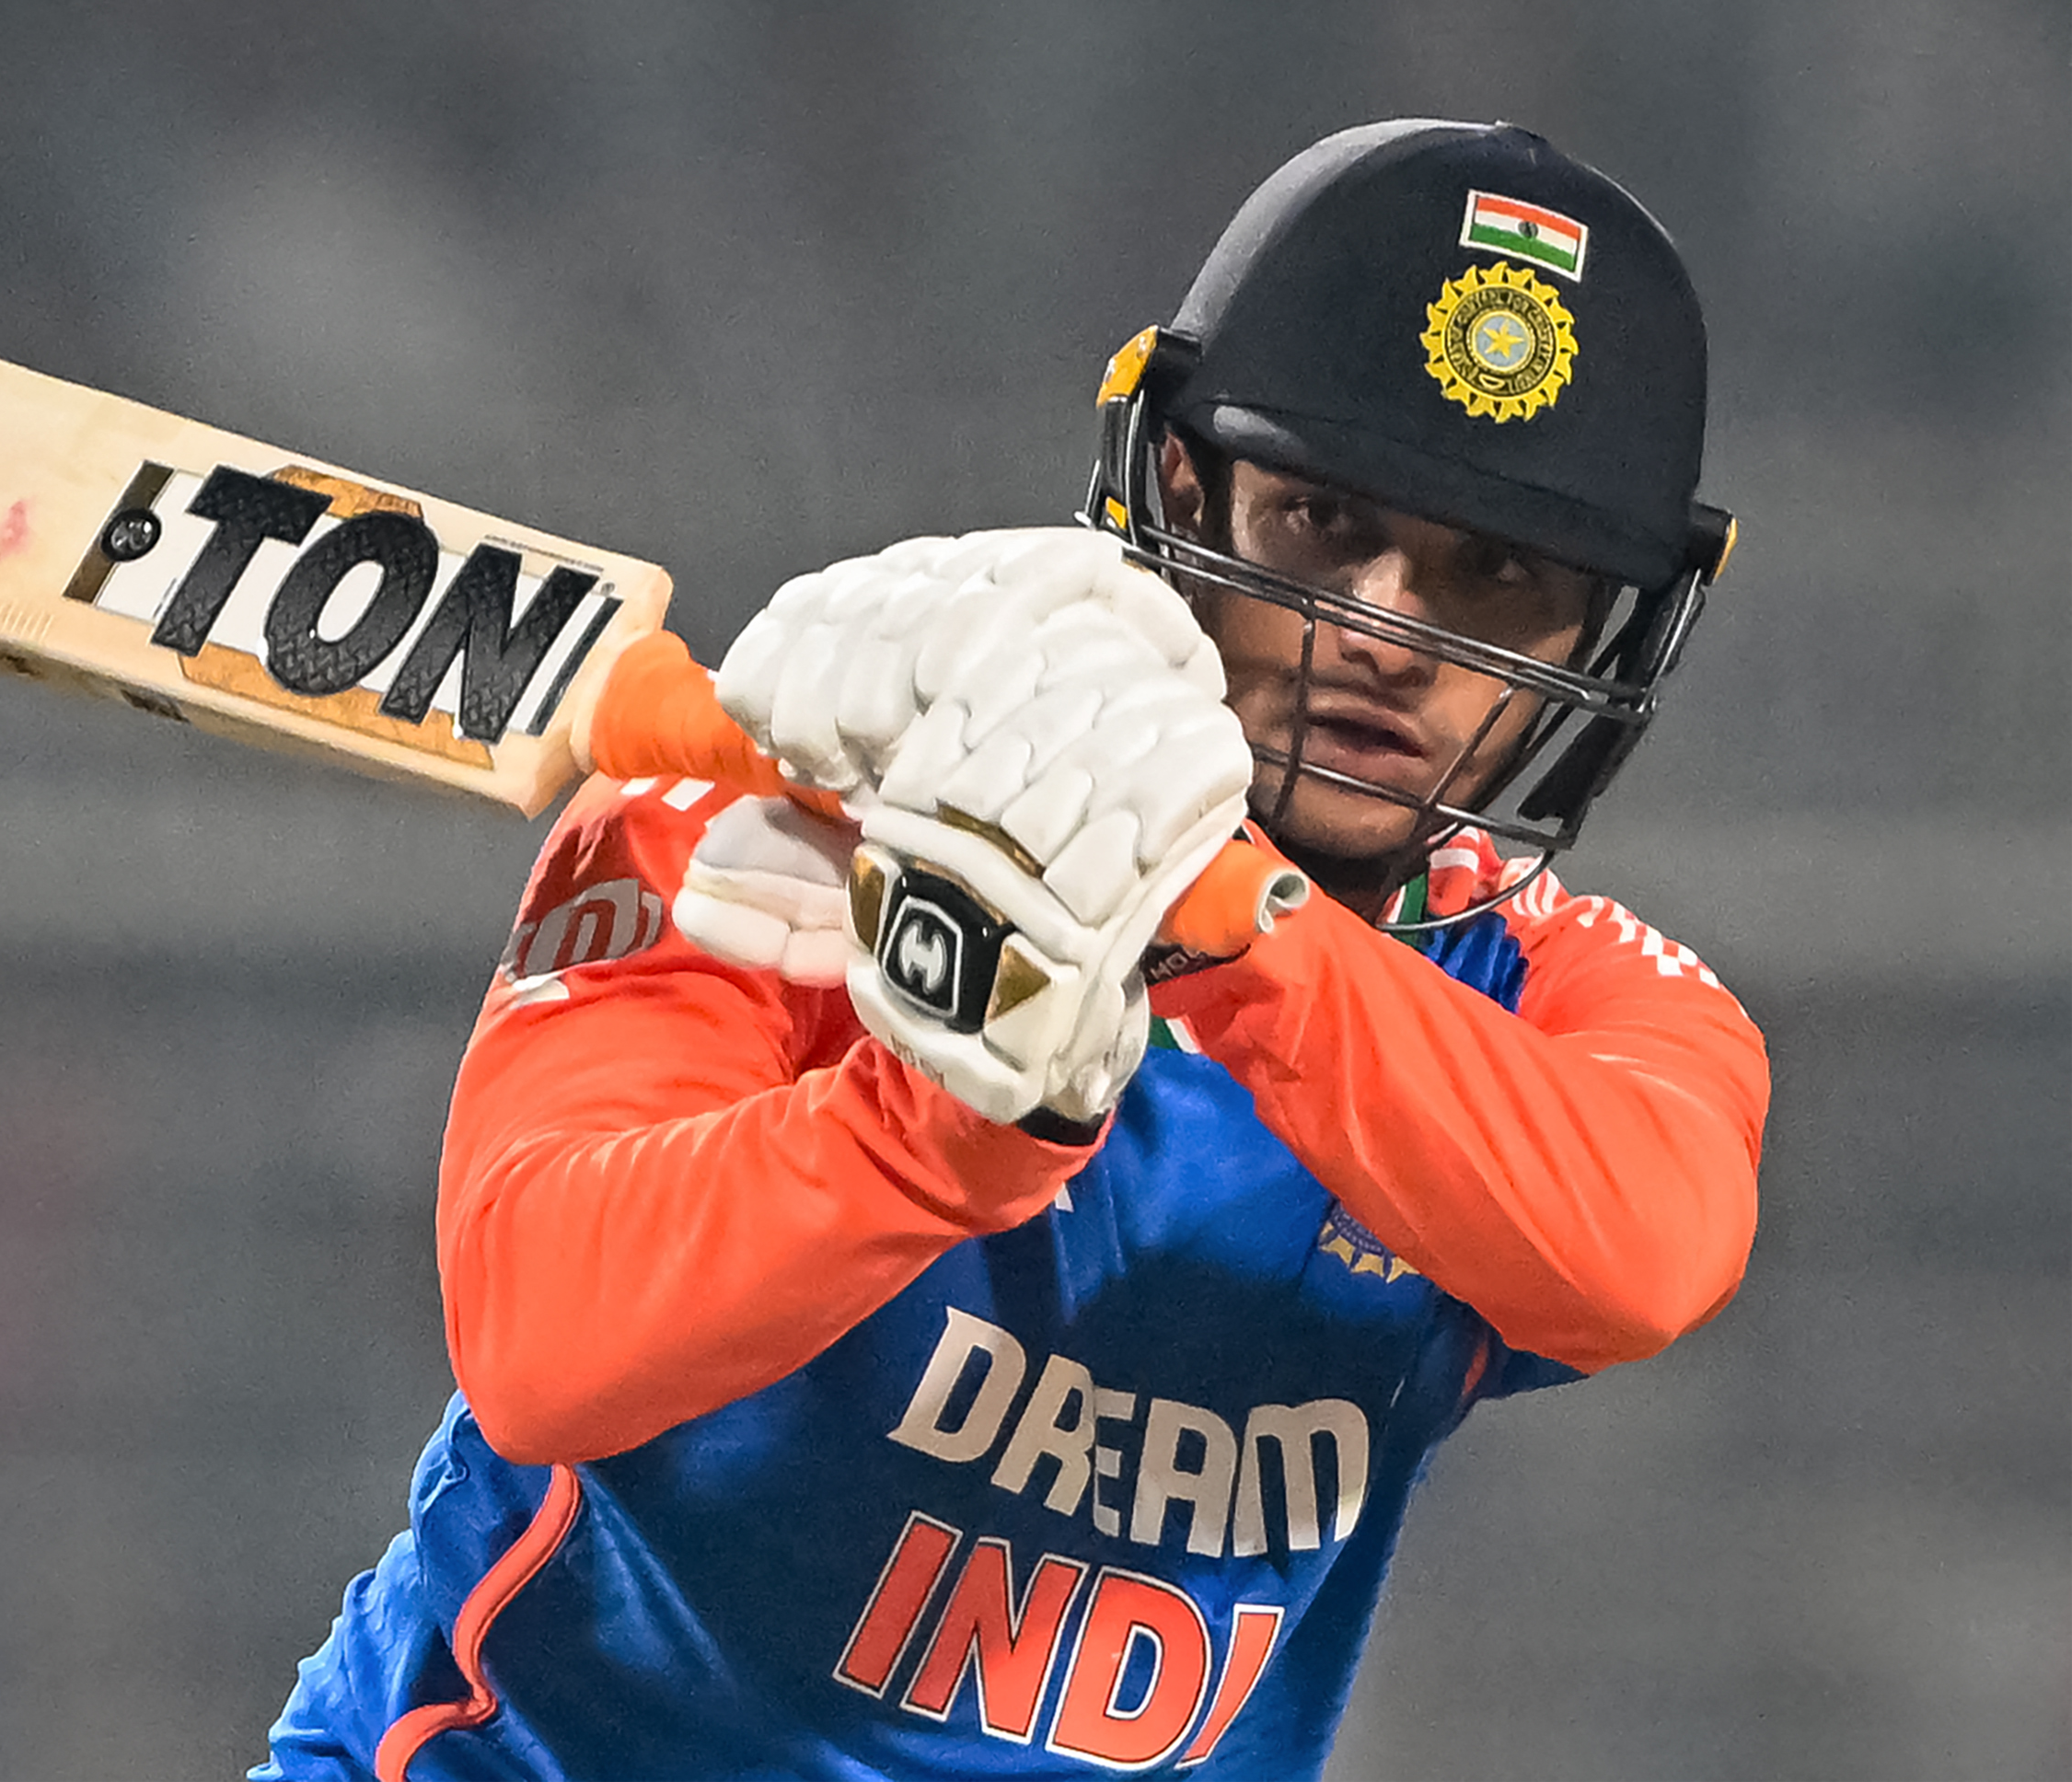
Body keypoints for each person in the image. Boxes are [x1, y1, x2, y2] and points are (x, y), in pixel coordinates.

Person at [256, 119, 1768, 1781]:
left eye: (1500, 577)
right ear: (1186, 491)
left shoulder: (1558, 991)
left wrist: (1196, 902)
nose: (1393, 636)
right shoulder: (771, 812)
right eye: (1328, 526)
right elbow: (544, 1341)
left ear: (1603, 634)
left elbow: (1645, 1252)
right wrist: (943, 1130)